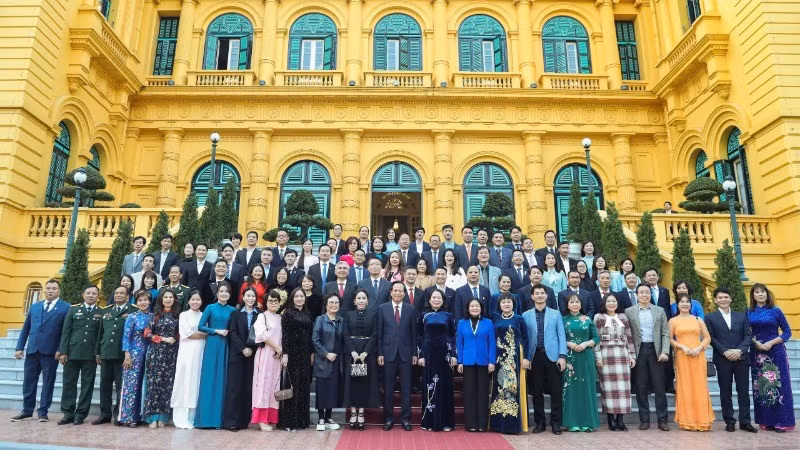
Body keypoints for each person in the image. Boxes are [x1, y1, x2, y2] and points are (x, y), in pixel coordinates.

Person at [12, 279, 69, 423]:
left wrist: (60, 350)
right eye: (48, 288)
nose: (50, 291)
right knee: (28, 382)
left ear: (59, 290)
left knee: (48, 382)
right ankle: (27, 410)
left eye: (54, 288)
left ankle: (43, 411)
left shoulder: (66, 307)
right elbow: (26, 328)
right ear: (45, 289)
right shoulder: (35, 306)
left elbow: (65, 332)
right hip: (32, 350)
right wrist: (19, 347)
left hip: (50, 352)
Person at [704, 287, 757, 433]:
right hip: (723, 359)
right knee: (725, 392)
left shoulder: (742, 316)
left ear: (730, 298)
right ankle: (730, 421)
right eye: (720, 297)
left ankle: (745, 422)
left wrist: (739, 350)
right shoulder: (709, 318)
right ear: (715, 300)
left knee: (743, 392)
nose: (723, 300)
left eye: (726, 297)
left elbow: (748, 336)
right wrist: (725, 352)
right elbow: (711, 338)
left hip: (741, 358)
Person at [747, 283, 795, 432]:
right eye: (757, 292)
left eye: (763, 292)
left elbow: (787, 332)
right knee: (761, 386)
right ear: (753, 296)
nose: (760, 294)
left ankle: (781, 422)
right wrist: (755, 343)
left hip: (776, 351)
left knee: (779, 386)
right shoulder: (748, 312)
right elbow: (745, 332)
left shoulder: (776, 311)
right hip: (757, 353)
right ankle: (766, 421)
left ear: (767, 294)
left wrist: (771, 343)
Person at [522, 284, 567, 435]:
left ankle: (555, 423)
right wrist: (526, 357)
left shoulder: (555, 314)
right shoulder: (526, 315)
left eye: (542, 293)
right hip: (535, 357)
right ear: (532, 296)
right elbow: (525, 338)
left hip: (553, 357)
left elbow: (561, 335)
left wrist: (562, 356)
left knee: (556, 391)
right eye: (537, 293)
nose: (540, 295)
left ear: (547, 296)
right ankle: (540, 423)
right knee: (537, 391)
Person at [625, 283, 670, 431]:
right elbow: (627, 334)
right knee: (641, 387)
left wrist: (665, 351)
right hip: (639, 351)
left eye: (647, 292)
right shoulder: (629, 311)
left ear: (651, 294)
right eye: (641, 292)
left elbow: (665, 333)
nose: (644, 295)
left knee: (659, 387)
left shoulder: (659, 311)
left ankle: (662, 419)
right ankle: (644, 420)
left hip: (656, 351)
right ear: (637, 295)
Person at [92, 286, 137, 425]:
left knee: (120, 387)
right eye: (116, 293)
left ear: (127, 296)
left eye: (121, 293)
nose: (118, 295)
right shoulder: (106, 311)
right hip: (106, 352)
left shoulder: (133, 310)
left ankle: (119, 414)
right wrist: (98, 352)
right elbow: (101, 333)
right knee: (104, 386)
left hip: (121, 355)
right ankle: (104, 414)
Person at [57, 285, 101, 426]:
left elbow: (100, 335)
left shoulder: (101, 312)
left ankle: (80, 414)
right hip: (72, 353)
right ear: (83, 295)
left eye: (94, 293)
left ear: (97, 296)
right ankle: (68, 413)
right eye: (88, 293)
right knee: (69, 383)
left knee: (87, 386)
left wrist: (97, 353)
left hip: (90, 355)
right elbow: (66, 332)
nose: (90, 295)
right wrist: (63, 352)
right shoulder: (73, 310)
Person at [669, 293, 714, 431]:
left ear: (691, 304)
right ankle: (688, 420)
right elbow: (670, 339)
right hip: (682, 356)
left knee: (699, 387)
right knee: (685, 387)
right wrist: (681, 346)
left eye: (687, 302)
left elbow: (707, 338)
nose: (684, 304)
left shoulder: (698, 319)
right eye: (681, 301)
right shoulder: (673, 321)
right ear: (677, 304)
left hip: (698, 356)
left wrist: (700, 347)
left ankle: (702, 420)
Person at [194, 281, 236, 428]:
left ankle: (218, 420)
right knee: (209, 379)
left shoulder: (232, 310)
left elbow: (235, 328)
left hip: (226, 346)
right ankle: (204, 420)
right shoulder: (210, 308)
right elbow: (200, 326)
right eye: (221, 291)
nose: (224, 293)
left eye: (227, 291)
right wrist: (216, 331)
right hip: (212, 345)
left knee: (222, 380)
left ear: (230, 294)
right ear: (217, 293)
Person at [377, 281, 417, 431]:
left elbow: (414, 334)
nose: (398, 293)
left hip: (406, 354)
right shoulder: (382, 309)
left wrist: (414, 353)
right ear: (391, 292)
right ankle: (388, 418)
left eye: (401, 291)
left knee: (406, 388)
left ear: (405, 293)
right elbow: (380, 333)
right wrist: (380, 353)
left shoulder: (411, 309)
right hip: (388, 354)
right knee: (388, 388)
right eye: (396, 290)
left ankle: (406, 419)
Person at [594, 293, 636, 432]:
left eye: (614, 301)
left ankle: (620, 419)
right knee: (608, 389)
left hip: (622, 355)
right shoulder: (599, 318)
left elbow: (629, 337)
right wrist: (598, 356)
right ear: (604, 303)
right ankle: (611, 419)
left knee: (623, 390)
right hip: (606, 355)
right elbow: (596, 339)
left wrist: (632, 355)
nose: (611, 303)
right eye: (609, 301)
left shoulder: (623, 317)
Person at [416, 289, 456, 431]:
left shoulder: (448, 316)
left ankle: (446, 422)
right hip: (429, 355)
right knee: (430, 386)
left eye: (439, 298)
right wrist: (420, 355)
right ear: (429, 300)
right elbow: (419, 337)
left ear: (443, 300)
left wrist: (453, 355)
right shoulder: (423, 315)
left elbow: (453, 336)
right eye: (434, 297)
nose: (436, 300)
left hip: (445, 356)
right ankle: (429, 422)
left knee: (445, 387)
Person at [489, 294, 529, 434]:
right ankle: (497, 424)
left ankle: (512, 425)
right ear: (499, 305)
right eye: (504, 302)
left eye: (509, 302)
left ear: (514, 304)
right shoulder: (495, 318)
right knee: (499, 389)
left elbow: (525, 338)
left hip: (514, 358)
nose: (506, 304)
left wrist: (526, 358)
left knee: (512, 389)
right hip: (499, 358)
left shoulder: (519, 319)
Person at [223, 287, 260, 431]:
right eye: (248, 296)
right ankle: (231, 421)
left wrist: (252, 348)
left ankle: (244, 420)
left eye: (253, 296)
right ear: (243, 297)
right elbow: (232, 332)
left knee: (247, 388)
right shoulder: (236, 313)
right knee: (234, 388)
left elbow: (262, 333)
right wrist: (243, 348)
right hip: (237, 355)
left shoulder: (260, 314)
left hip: (253, 355)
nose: (250, 298)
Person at [561, 294, 599, 432]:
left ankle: (588, 422)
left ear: (581, 304)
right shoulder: (563, 320)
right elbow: (559, 336)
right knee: (572, 389)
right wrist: (568, 343)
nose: (575, 304)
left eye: (577, 302)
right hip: (570, 358)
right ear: (567, 305)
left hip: (586, 356)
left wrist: (586, 344)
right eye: (572, 302)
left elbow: (596, 338)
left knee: (587, 388)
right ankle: (572, 422)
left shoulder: (587, 319)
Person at [457, 299, 496, 432]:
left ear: (481, 308)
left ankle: (482, 424)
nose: (474, 308)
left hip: (484, 361)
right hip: (467, 362)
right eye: (472, 306)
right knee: (469, 393)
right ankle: (471, 424)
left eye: (477, 306)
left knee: (483, 393)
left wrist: (492, 361)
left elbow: (492, 343)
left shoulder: (488, 323)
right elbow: (459, 344)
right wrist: (460, 361)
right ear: (468, 308)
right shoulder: (462, 323)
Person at [142, 290, 180, 428]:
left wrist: (175, 339)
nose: (168, 299)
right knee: (154, 385)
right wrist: (163, 339)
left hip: (171, 354)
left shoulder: (177, 316)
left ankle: (163, 416)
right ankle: (152, 417)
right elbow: (146, 334)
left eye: (171, 297)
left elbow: (179, 335)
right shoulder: (155, 315)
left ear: (174, 299)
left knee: (167, 385)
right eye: (166, 297)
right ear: (161, 300)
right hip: (156, 353)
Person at [278, 288, 314, 431]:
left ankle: (302, 421)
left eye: (301, 296)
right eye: (297, 296)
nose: (299, 298)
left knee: (303, 386)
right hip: (292, 354)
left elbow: (310, 335)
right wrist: (285, 354)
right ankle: (289, 422)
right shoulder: (287, 314)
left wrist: (312, 353)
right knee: (292, 387)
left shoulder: (308, 313)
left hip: (305, 354)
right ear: (292, 298)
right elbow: (285, 335)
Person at [343, 289, 379, 430]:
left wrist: (365, 352)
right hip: (351, 354)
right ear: (354, 301)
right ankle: (353, 413)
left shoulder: (373, 315)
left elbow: (374, 334)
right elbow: (345, 334)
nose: (361, 301)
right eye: (359, 298)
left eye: (364, 298)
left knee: (364, 383)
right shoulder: (348, 314)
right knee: (352, 383)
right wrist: (352, 351)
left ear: (367, 301)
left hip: (366, 354)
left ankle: (361, 413)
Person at [171, 291, 206, 429]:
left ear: (201, 302)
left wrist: (204, 334)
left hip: (200, 352)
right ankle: (180, 418)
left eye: (198, 300)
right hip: (186, 353)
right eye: (193, 299)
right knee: (184, 381)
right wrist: (207, 333)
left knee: (196, 382)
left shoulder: (204, 316)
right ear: (188, 301)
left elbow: (204, 332)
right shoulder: (183, 315)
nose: (195, 302)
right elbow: (187, 334)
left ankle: (192, 418)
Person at [118, 290, 152, 427]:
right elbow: (126, 337)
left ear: (149, 302)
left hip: (149, 353)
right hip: (134, 354)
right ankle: (128, 417)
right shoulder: (132, 317)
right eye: (140, 300)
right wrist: (127, 355)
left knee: (145, 385)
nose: (143, 303)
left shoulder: (153, 317)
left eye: (145, 300)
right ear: (136, 303)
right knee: (131, 385)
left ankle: (141, 416)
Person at [251, 290, 284, 431]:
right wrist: (277, 347)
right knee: (262, 385)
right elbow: (262, 334)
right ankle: (260, 420)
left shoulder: (280, 318)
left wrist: (280, 350)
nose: (273, 303)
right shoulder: (261, 316)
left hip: (277, 356)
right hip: (265, 354)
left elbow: (283, 336)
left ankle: (270, 417)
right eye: (270, 300)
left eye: (276, 301)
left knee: (273, 386)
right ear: (266, 302)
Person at [312, 294, 344, 431]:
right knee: (322, 389)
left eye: (336, 302)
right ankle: (320, 418)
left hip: (338, 361)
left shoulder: (341, 320)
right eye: (331, 302)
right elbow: (315, 339)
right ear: (326, 304)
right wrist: (326, 353)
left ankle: (329, 417)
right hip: (323, 360)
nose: (334, 305)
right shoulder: (320, 319)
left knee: (332, 390)